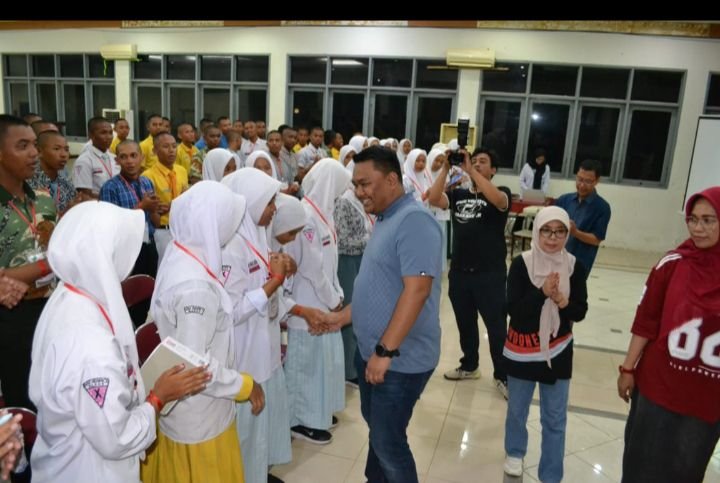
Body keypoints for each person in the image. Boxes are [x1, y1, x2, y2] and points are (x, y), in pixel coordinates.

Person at [28, 201, 210, 483]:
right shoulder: (91, 345)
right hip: (89, 470)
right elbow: (116, 438)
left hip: (65, 454)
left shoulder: (68, 293)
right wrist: (158, 397)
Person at [327, 146, 442, 483]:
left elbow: (417, 290)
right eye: (355, 185)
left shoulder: (415, 221)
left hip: (400, 359)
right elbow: (380, 286)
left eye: (365, 184)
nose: (359, 192)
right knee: (379, 432)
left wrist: (385, 351)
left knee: (389, 442)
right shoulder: (386, 217)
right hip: (375, 352)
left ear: (392, 180)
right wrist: (342, 317)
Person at [141, 181, 265, 483]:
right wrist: (244, 385)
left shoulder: (180, 253)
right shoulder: (196, 287)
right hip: (199, 417)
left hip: (183, 411)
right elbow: (193, 364)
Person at [617, 186, 720, 483]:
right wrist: (628, 368)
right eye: (693, 219)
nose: (698, 228)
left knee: (686, 469)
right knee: (641, 464)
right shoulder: (673, 264)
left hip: (707, 397)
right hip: (659, 387)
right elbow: (645, 321)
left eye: (708, 220)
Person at [502, 206, 588, 480]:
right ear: (537, 231)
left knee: (555, 418)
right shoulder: (521, 264)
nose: (553, 238)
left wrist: (563, 302)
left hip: (558, 348)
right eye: (546, 231)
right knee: (517, 410)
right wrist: (541, 293)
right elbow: (514, 311)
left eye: (560, 231)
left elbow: (580, 311)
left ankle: (551, 474)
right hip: (522, 349)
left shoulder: (574, 267)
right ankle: (515, 452)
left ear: (567, 234)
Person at [427, 147, 511, 397]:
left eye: (482, 162)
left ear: (493, 170)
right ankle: (470, 365)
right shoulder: (459, 194)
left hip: (490, 275)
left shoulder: (501, 193)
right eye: (473, 161)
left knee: (496, 327)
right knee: (465, 323)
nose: (476, 164)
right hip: (461, 274)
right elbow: (433, 198)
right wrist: (445, 168)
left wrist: (471, 171)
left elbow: (499, 201)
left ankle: (503, 375)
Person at [283, 159, 350, 444]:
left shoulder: (325, 213)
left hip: (326, 299)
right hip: (308, 302)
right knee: (306, 365)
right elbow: (311, 267)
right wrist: (333, 299)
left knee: (323, 363)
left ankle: (317, 410)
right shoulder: (306, 216)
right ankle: (300, 420)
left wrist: (337, 294)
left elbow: (330, 262)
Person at [0, 115, 58, 411]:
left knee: (53, 391)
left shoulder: (44, 198)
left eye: (35, 145)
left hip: (51, 306)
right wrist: (49, 265)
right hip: (11, 317)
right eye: (22, 146)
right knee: (22, 399)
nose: (34, 153)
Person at [335, 157, 375, 388]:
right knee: (351, 309)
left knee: (360, 309)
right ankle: (349, 370)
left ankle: (355, 361)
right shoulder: (345, 201)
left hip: (361, 258)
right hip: (348, 262)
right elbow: (342, 241)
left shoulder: (360, 201)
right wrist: (369, 240)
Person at [554, 159, 611, 277]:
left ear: (597, 181)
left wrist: (575, 232)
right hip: (555, 258)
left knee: (573, 289)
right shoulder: (564, 200)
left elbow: (596, 239)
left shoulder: (602, 208)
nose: (582, 185)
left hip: (579, 263)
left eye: (588, 181)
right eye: (579, 179)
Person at [28, 130, 78, 215]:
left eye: (66, 149)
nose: (63, 155)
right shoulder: (28, 182)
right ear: (39, 151)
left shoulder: (67, 185)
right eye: (56, 149)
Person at [72, 117, 118, 199]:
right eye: (103, 133)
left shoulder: (114, 158)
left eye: (110, 133)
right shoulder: (84, 160)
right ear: (91, 135)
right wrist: (109, 199)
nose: (108, 137)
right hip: (97, 204)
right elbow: (84, 194)